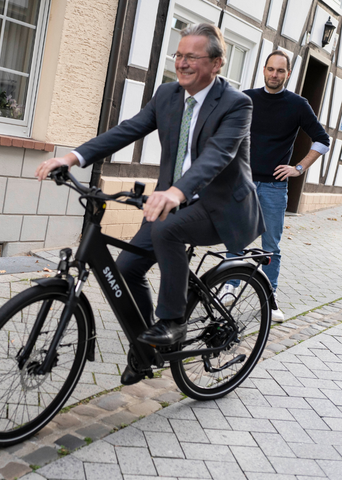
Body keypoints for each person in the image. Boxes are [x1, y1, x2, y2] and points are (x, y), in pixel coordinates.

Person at [36, 23, 265, 385]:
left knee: (167, 229)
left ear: (217, 63)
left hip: (219, 206)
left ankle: (172, 321)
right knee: (125, 269)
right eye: (179, 55)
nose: (183, 63)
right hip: (171, 200)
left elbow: (218, 156)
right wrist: (73, 157)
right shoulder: (167, 95)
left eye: (193, 57)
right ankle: (146, 351)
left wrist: (176, 192)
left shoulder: (237, 104)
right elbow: (127, 129)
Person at [224, 51, 330, 322]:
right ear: (263, 70)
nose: (274, 74)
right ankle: (228, 288)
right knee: (235, 237)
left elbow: (322, 140)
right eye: (270, 69)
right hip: (243, 182)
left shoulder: (297, 104)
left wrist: (298, 168)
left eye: (280, 71)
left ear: (288, 73)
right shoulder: (246, 98)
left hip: (274, 188)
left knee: (270, 246)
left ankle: (269, 299)